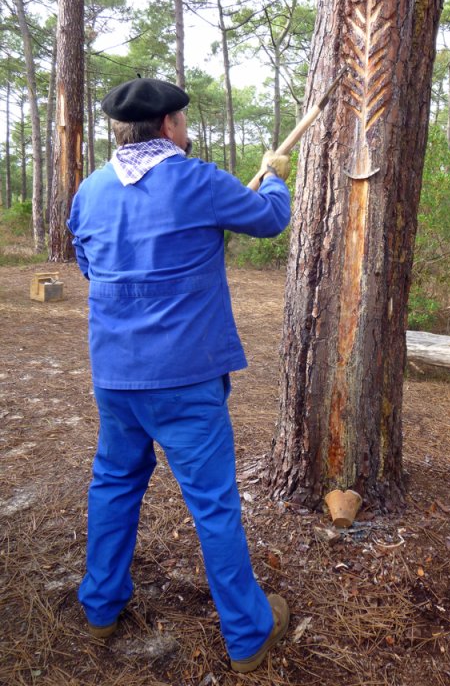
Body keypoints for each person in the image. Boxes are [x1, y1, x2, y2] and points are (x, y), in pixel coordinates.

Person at [67, 76, 292, 674]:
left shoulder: (90, 191)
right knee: (214, 505)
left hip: (115, 378)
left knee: (114, 484)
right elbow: (270, 220)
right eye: (182, 122)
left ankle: (100, 607)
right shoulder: (197, 180)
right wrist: (274, 175)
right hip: (185, 380)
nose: (185, 130)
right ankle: (247, 635)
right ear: (168, 125)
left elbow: (88, 263)